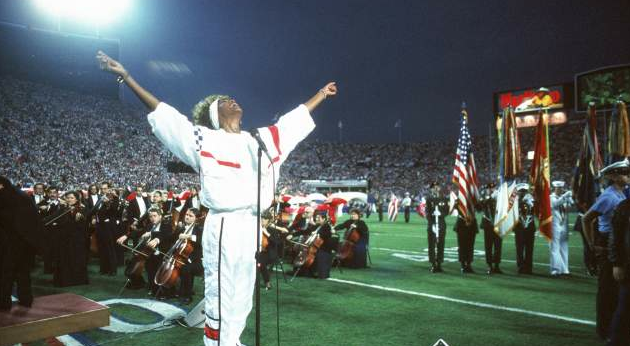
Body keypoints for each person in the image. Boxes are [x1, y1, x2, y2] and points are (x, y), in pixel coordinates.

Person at [97, 50, 336, 346]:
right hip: (223, 223)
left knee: (242, 291)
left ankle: (232, 341)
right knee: (221, 292)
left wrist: (320, 95)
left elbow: (289, 125)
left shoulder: (258, 140)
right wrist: (127, 77)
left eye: (231, 98)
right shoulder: (204, 139)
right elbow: (167, 116)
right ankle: (217, 343)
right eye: (224, 102)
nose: (232, 100)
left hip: (251, 224)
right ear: (215, 114)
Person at [583, 159, 630, 339]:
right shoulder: (609, 196)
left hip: (617, 241)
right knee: (607, 289)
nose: (627, 176)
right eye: (624, 173)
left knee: (617, 289)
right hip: (607, 241)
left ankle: (614, 327)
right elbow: (587, 219)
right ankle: (604, 330)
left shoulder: (622, 193)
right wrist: (592, 245)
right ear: (613, 176)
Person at [0, 176, 43, 310]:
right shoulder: (22, 197)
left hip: (11, 245)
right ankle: (25, 300)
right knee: (22, 274)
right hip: (24, 244)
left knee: (6, 275)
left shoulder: (7, 199)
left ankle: (4, 303)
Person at [46, 191, 89, 287]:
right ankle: (65, 280)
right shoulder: (63, 209)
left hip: (76, 240)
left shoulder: (82, 208)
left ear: (77, 199)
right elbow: (53, 217)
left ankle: (77, 280)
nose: (69, 199)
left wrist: (80, 216)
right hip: (64, 239)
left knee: (75, 259)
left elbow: (85, 220)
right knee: (64, 259)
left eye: (71, 198)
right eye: (67, 198)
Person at [177, 208, 204, 305]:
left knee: (186, 269)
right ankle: (182, 290)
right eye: (186, 214)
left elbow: (201, 240)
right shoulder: (182, 227)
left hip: (197, 260)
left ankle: (187, 295)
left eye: (190, 216)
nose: (187, 217)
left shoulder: (199, 228)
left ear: (196, 219)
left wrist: (188, 236)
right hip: (185, 257)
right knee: (180, 266)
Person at [258, 210, 289, 290]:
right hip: (261, 251)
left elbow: (277, 242)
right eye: (261, 219)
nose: (262, 221)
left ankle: (267, 283)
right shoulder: (258, 229)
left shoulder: (272, 229)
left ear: (268, 220)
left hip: (270, 253)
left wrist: (267, 234)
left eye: (264, 219)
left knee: (260, 262)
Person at [549, 180, 573, 276]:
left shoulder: (564, 197)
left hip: (564, 224)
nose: (560, 190)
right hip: (554, 224)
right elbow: (555, 204)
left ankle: (565, 269)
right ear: (554, 188)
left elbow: (570, 206)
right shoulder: (551, 197)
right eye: (558, 188)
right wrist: (565, 196)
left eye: (561, 188)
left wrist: (569, 199)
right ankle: (555, 269)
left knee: (564, 247)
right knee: (554, 247)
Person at [425, 182, 449, 273]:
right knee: (432, 245)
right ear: (431, 189)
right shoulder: (429, 199)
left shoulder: (444, 198)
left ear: (439, 188)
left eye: (437, 187)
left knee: (441, 244)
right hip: (432, 224)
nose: (435, 188)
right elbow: (426, 212)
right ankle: (433, 264)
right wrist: (431, 216)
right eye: (433, 187)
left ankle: (439, 263)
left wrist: (441, 214)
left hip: (441, 224)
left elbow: (447, 211)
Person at [479, 183, 502, 274]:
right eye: (489, 188)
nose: (491, 189)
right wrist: (489, 197)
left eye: (493, 188)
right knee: (488, 246)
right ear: (486, 189)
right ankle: (490, 265)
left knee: (498, 246)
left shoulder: (499, 198)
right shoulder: (484, 198)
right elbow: (480, 207)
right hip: (488, 225)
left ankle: (496, 265)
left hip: (498, 224)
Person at [514, 183, 536, 274]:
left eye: (524, 191)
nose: (522, 193)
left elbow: (535, 210)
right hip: (519, 227)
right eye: (521, 191)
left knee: (529, 248)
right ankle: (520, 266)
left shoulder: (530, 200)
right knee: (519, 248)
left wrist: (531, 202)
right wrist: (521, 201)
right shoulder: (515, 201)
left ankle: (528, 267)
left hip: (530, 227)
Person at [454, 209, 478, 274]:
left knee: (470, 245)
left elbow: (479, 209)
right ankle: (463, 265)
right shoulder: (460, 198)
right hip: (461, 222)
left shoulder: (473, 198)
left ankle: (469, 264)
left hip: (472, 223)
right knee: (461, 245)